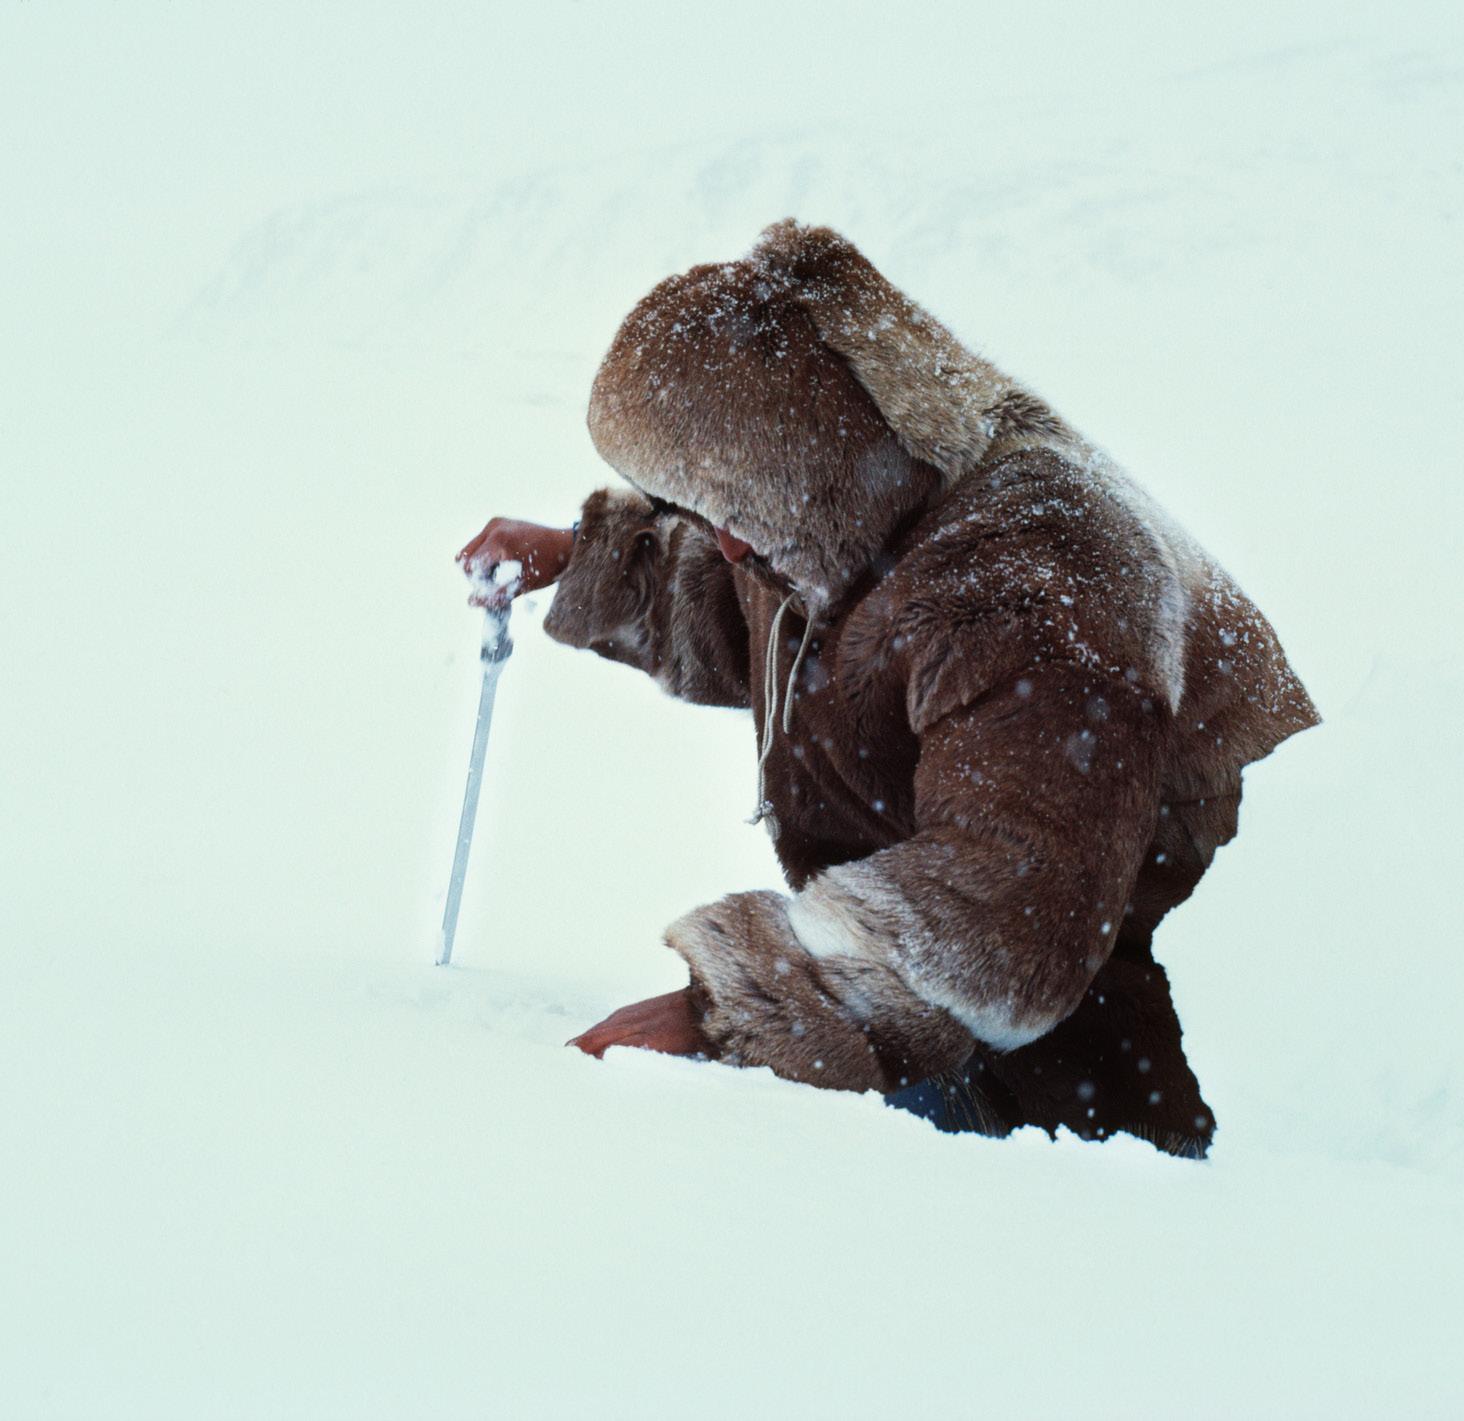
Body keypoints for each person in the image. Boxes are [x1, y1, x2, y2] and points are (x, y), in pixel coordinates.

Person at [456, 221, 1318, 1157]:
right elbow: (753, 608)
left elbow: (1004, 911)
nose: (727, 542)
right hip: (969, 1003)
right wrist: (588, 559)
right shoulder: (841, 494)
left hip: (1125, 1081)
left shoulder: (1034, 576)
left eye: (730, 508)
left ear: (804, 465)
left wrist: (728, 1011)